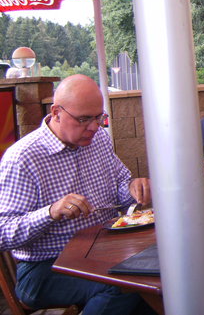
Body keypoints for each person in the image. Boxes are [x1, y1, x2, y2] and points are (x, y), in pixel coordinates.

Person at [0, 74, 153, 315]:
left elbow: (120, 187)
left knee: (157, 277)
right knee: (123, 285)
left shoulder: (98, 139)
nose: (93, 127)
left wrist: (134, 187)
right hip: (44, 267)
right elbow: (3, 233)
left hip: (101, 251)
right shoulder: (23, 158)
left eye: (98, 117)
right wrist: (49, 213)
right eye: (83, 119)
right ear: (56, 112)